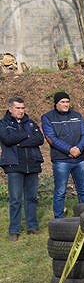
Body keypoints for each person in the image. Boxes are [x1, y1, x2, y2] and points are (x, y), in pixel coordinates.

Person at [41, 91, 84, 218]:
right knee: (60, 191)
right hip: (61, 160)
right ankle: (59, 218)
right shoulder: (48, 117)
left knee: (83, 191)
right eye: (62, 102)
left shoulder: (77, 115)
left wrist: (79, 149)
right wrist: (69, 149)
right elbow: (51, 138)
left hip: (79, 159)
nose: (66, 104)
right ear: (56, 104)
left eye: (67, 102)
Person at [0, 96, 44, 240]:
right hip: (14, 165)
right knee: (15, 199)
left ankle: (32, 226)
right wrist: (26, 134)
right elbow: (7, 140)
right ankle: (14, 230)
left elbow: (40, 139)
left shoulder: (31, 123)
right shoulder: (3, 124)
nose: (21, 111)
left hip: (32, 164)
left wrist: (21, 143)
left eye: (23, 108)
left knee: (31, 198)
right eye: (18, 108)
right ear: (10, 108)